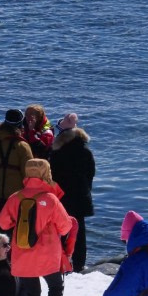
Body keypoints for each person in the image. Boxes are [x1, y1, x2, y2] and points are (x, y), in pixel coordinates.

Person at [0, 159, 73, 296]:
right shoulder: (50, 198)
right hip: (47, 256)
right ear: (46, 173)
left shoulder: (16, 197)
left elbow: (3, 223)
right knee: (56, 288)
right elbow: (65, 227)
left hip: (23, 257)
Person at [47, 112, 95, 272]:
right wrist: (86, 189)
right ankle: (79, 265)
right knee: (80, 231)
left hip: (62, 197)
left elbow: (51, 175)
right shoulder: (85, 151)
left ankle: (60, 263)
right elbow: (91, 174)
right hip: (81, 196)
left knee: (60, 229)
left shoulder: (57, 153)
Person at [0, 109, 33, 232]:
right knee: (15, 232)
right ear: (21, 125)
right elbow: (29, 173)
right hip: (17, 196)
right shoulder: (22, 146)